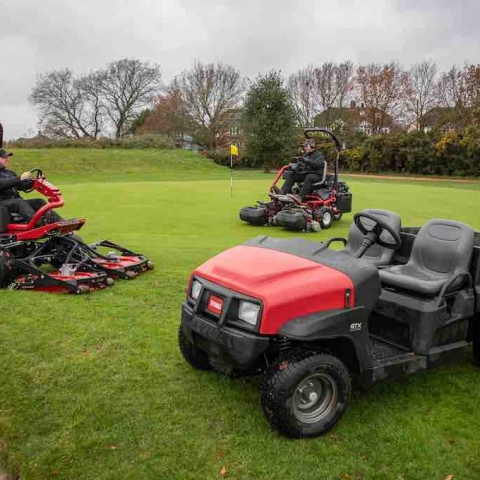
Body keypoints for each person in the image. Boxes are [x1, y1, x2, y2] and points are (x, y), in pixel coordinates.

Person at [0, 148, 61, 229]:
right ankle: (40, 225)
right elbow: (2, 184)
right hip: (2, 203)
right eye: (4, 157)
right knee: (19, 202)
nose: (8, 159)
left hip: (15, 201)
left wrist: (34, 182)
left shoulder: (9, 173)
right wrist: (19, 178)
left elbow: (21, 186)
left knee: (39, 202)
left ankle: (60, 223)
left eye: (8, 157)